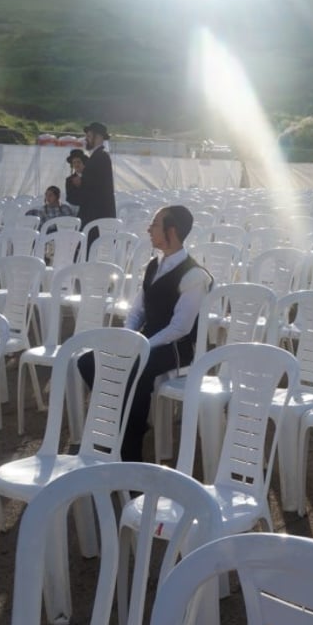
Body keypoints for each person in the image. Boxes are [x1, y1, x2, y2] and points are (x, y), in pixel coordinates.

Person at [77, 205, 211, 462]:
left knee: (134, 370)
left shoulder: (194, 275)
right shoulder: (154, 266)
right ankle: (125, 423)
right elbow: (137, 309)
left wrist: (143, 345)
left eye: (155, 225)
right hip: (145, 342)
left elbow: (180, 328)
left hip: (175, 348)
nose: (149, 230)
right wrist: (127, 338)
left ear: (171, 231)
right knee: (88, 361)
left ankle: (130, 448)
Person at [66, 121, 117, 249]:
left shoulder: (101, 157)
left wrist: (80, 182)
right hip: (93, 213)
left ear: (98, 137)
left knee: (87, 252)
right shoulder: (97, 156)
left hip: (96, 214)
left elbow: (96, 187)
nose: (86, 139)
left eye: (89, 136)